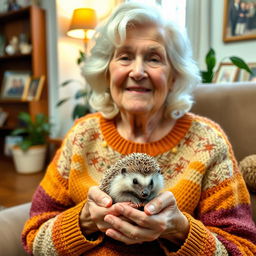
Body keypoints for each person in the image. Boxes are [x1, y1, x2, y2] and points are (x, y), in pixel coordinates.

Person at [22, 2, 256, 256]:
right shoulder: (82, 136)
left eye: (154, 59)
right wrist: (84, 220)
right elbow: (34, 235)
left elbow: (243, 249)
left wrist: (180, 230)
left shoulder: (208, 143)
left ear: (174, 75)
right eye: (124, 57)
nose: (138, 71)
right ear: (106, 71)